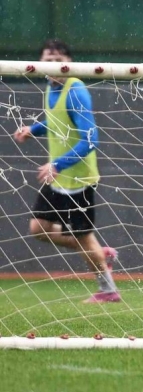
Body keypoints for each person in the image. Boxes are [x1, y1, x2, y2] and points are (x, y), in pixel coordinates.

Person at [13, 39, 120, 303]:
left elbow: (90, 140)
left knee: (82, 236)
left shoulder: (76, 90)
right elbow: (57, 120)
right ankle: (99, 253)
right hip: (56, 177)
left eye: (58, 60)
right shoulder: (50, 88)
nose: (52, 66)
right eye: (47, 61)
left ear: (69, 63)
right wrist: (33, 129)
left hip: (78, 179)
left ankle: (108, 290)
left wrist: (58, 164)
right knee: (39, 228)